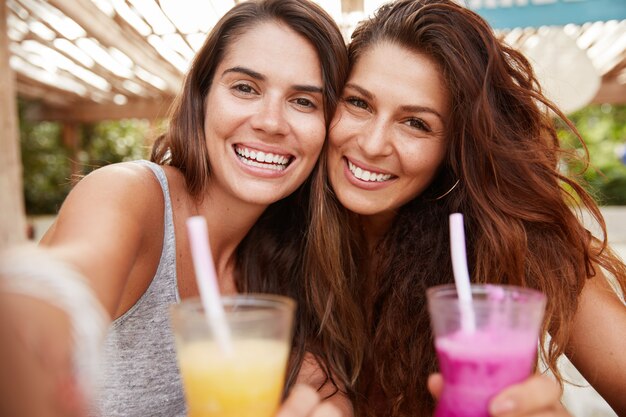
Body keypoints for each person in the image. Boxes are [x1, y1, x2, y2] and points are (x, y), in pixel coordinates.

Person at [8, 0, 359, 416]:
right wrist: (35, 316)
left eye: (303, 101)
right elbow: (64, 289)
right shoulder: (131, 195)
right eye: (245, 88)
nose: (270, 122)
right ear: (202, 96)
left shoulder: (292, 255)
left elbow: (321, 388)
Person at [307, 0, 626, 415]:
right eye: (359, 103)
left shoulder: (516, 236)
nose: (371, 144)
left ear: (455, 146)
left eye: (416, 123)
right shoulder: (279, 225)